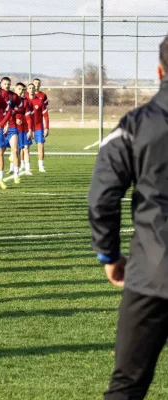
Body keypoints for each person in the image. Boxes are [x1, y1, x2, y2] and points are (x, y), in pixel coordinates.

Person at [88, 35, 168, 400]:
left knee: (127, 387)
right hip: (152, 271)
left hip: (153, 271)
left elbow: (102, 197)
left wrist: (109, 254)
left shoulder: (136, 125)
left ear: (159, 70)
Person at [26, 83, 49, 172]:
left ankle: (41, 166)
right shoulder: (25, 101)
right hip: (27, 127)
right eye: (30, 88)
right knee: (25, 147)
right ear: (27, 90)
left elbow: (46, 115)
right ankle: (26, 166)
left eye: (33, 88)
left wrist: (46, 128)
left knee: (40, 145)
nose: (31, 89)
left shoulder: (40, 101)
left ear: (35, 89)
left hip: (38, 126)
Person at [14, 82, 33, 176]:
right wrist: (14, 119)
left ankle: (27, 169)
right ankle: (15, 170)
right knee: (16, 150)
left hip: (24, 129)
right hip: (14, 129)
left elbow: (28, 117)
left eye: (22, 89)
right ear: (15, 90)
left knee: (26, 148)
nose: (21, 91)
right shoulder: (10, 101)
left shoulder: (26, 102)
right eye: (19, 89)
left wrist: (30, 129)